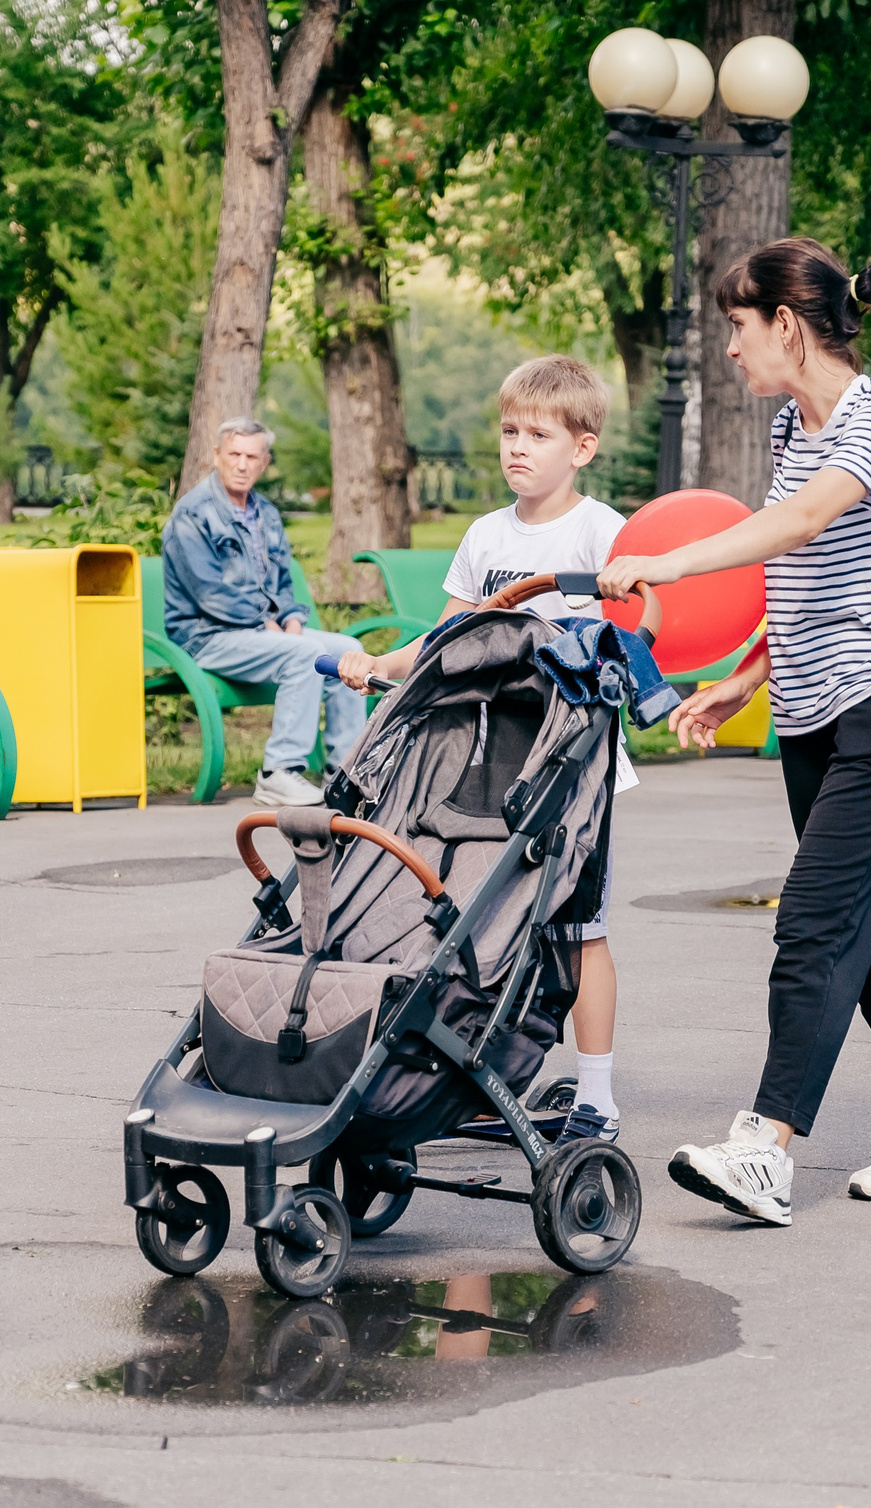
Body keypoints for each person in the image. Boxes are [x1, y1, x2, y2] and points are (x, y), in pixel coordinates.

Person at [598, 237, 871, 1226]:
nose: (729, 348)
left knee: (815, 915)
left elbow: (803, 522)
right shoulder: (788, 427)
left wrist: (670, 563)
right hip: (813, 708)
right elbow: (809, 575)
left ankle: (766, 1146)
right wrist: (746, 678)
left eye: (737, 326)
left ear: (786, 324)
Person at [339, 355, 636, 1144]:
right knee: (485, 916)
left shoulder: (602, 532)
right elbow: (447, 639)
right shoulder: (485, 535)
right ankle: (477, 1075)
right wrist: (381, 665)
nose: (517, 447)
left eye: (538, 434)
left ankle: (597, 1096)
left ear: (582, 448)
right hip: (486, 758)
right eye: (509, 431)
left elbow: (644, 631)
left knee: (577, 926)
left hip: (573, 764)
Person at [161, 418, 367, 808]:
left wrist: (292, 620)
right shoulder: (193, 515)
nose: (242, 464)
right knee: (305, 655)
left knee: (348, 652)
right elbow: (210, 594)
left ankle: (346, 773)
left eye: (252, 457)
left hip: (259, 634)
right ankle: (278, 772)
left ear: (264, 462)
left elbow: (282, 581)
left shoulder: (265, 513)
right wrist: (267, 622)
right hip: (207, 637)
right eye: (234, 454)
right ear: (217, 455)